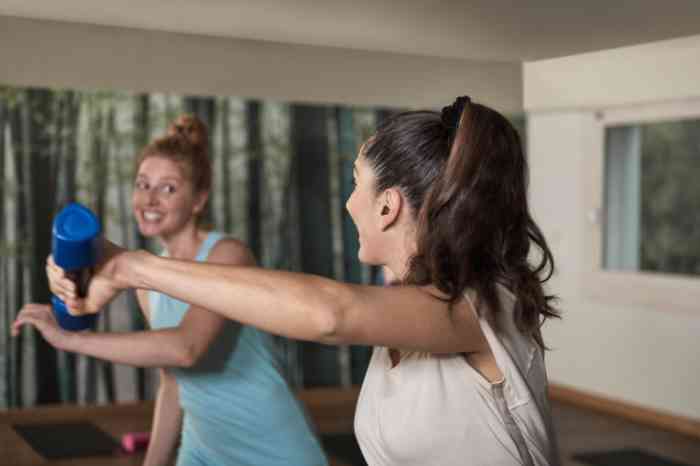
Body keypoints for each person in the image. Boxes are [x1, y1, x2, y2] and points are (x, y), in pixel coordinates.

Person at [45, 97, 561, 465]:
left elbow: (329, 313)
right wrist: (126, 275)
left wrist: (130, 266)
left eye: (355, 182)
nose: (346, 201)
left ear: (387, 206)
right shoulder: (406, 315)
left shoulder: (484, 305)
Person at [13, 114, 328, 466]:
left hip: (270, 445)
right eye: (142, 184)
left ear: (198, 199)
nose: (149, 199)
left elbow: (186, 349)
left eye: (168, 188)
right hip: (203, 446)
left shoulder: (227, 255)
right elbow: (174, 382)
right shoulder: (148, 281)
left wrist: (72, 340)